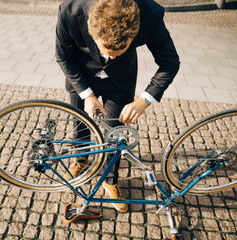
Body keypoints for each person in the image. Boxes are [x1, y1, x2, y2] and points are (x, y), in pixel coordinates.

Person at [55, 0, 180, 212]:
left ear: (134, 35)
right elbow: (63, 56)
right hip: (81, 76)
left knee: (114, 133)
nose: (111, 57)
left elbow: (170, 62)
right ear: (92, 33)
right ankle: (81, 158)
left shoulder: (151, 15)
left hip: (120, 80)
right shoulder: (69, 10)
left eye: (120, 51)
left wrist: (144, 100)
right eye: (107, 50)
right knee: (80, 122)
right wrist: (87, 95)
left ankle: (110, 180)